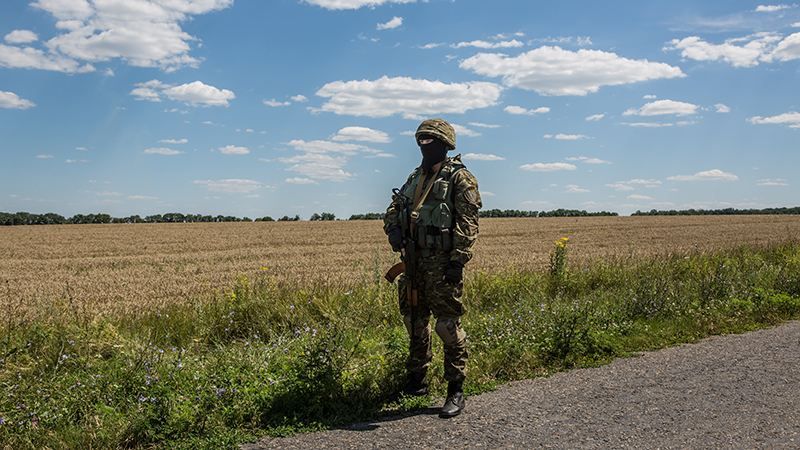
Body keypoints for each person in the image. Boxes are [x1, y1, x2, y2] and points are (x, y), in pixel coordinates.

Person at [383, 118, 482, 418]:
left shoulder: (460, 179)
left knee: (447, 326)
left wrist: (458, 261)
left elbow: (468, 222)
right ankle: (416, 381)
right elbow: (392, 209)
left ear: (444, 144)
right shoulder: (415, 177)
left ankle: (456, 389)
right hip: (413, 262)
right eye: (421, 141)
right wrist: (393, 231)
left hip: (442, 264)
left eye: (430, 141)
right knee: (414, 322)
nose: (424, 145)